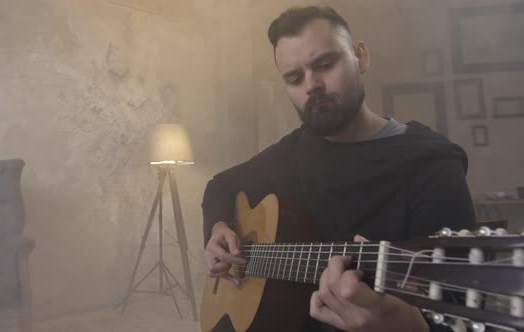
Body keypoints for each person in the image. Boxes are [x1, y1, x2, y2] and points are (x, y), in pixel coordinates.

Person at [202, 6, 476, 332]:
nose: (311, 85)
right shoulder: (290, 152)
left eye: (325, 65)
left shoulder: (430, 166)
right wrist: (218, 226)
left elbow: (462, 309)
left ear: (360, 56)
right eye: (294, 78)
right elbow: (221, 184)